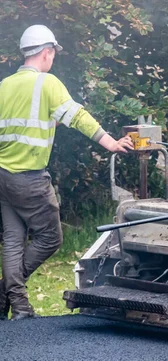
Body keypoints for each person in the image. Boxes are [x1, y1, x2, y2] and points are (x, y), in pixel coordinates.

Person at [0, 25, 134, 320]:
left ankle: (16, 304)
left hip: (4, 177)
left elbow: (19, 125)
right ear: (46, 52)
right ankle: (9, 293)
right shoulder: (47, 83)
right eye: (53, 54)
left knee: (12, 239)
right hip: (30, 179)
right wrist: (110, 142)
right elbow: (78, 117)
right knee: (50, 238)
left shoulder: (5, 85)